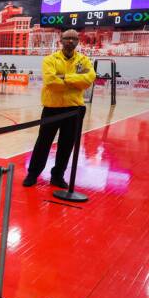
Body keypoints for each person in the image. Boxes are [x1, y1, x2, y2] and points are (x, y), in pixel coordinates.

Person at [23, 30, 95, 188]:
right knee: (43, 143)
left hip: (74, 109)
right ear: (61, 40)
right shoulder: (50, 59)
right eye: (67, 38)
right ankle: (33, 174)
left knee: (67, 144)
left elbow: (89, 79)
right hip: (52, 107)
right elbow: (51, 82)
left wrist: (65, 78)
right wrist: (75, 82)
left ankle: (57, 176)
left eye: (74, 38)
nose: (70, 41)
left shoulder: (84, 61)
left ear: (78, 41)